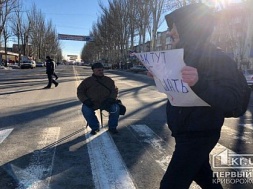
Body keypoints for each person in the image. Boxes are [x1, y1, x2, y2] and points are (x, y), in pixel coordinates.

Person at [158, 3, 242, 189]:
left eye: (174, 27)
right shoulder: (182, 58)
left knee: (171, 185)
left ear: (190, 28)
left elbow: (234, 103)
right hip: (183, 132)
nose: (170, 33)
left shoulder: (219, 59)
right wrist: (162, 77)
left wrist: (200, 82)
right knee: (203, 175)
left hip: (200, 133)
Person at [77, 62, 120, 135]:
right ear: (93, 71)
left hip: (107, 102)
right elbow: (80, 91)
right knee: (86, 109)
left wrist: (111, 99)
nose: (101, 72)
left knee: (116, 108)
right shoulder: (87, 81)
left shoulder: (109, 80)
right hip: (93, 102)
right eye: (98, 70)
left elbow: (114, 90)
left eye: (102, 70)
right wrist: (85, 100)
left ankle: (112, 127)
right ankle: (95, 127)